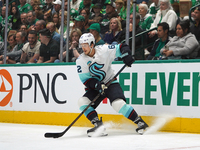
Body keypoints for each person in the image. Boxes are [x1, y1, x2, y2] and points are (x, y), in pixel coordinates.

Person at [76, 33, 148, 137]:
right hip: (96, 87)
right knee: (82, 102)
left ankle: (140, 122)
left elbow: (123, 46)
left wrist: (126, 55)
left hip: (110, 83)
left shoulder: (104, 50)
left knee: (117, 104)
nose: (83, 48)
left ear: (92, 44)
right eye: (82, 45)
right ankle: (98, 125)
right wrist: (97, 85)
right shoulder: (80, 60)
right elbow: (86, 80)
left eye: (85, 45)